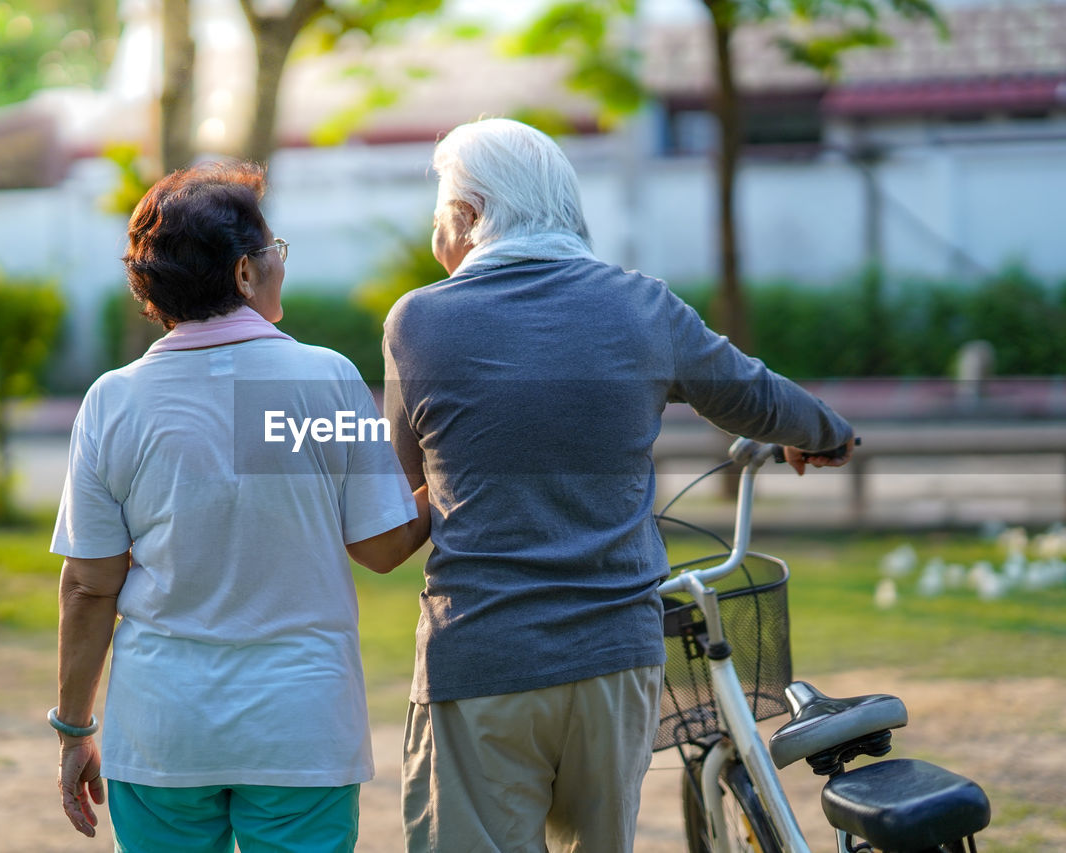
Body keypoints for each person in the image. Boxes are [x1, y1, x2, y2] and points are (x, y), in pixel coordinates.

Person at [382, 118, 855, 852]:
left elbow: (405, 485)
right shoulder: (643, 307)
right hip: (617, 658)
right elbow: (755, 394)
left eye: (443, 210)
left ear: (471, 215)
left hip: (481, 656)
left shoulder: (419, 322)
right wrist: (825, 434)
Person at [49, 162, 429, 852]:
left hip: (163, 731)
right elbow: (382, 545)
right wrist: (452, 479)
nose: (279, 265)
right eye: (273, 251)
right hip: (302, 726)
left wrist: (75, 728)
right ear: (246, 275)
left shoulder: (113, 400)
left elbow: (87, 583)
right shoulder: (328, 381)